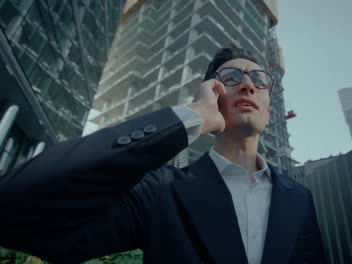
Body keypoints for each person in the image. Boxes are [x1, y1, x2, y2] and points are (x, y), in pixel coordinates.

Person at [0, 44, 325, 264]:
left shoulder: (298, 197)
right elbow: (14, 208)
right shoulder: (162, 192)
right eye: (230, 78)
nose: (248, 85)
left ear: (269, 110)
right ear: (213, 95)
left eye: (258, 80)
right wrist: (193, 116)